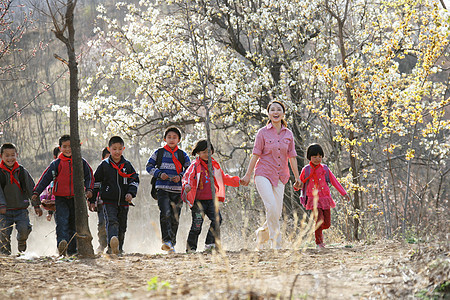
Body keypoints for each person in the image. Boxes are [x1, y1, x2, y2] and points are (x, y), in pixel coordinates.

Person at [241, 100, 301, 250]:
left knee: (276, 211)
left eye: (278, 110)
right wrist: (248, 175)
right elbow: (255, 155)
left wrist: (297, 177)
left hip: (281, 175)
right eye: (272, 110)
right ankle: (276, 243)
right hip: (263, 173)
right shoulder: (262, 133)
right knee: (271, 205)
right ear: (268, 114)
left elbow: (292, 157)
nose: (275, 112)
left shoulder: (289, 134)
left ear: (283, 113)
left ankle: (262, 234)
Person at [32, 135, 94, 256]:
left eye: (70, 146)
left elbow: (89, 176)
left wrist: (90, 189)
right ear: (60, 148)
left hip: (77, 199)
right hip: (60, 199)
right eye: (64, 146)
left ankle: (72, 250)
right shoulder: (56, 164)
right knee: (62, 222)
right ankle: (62, 245)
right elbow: (45, 178)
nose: (68, 149)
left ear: (76, 147)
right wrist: (36, 192)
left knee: (73, 224)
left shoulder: (80, 161)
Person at [182, 139, 240, 253]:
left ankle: (210, 244)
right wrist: (186, 186)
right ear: (198, 152)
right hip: (198, 201)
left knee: (217, 220)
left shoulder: (214, 165)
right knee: (197, 224)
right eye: (203, 152)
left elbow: (223, 178)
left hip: (211, 200)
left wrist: (237, 181)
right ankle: (191, 248)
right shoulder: (195, 165)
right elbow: (187, 177)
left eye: (209, 151)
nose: (206, 154)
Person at [89, 136, 139, 255]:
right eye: (114, 149)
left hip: (124, 201)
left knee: (122, 226)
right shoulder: (104, 165)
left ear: (123, 149)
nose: (117, 152)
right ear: (109, 149)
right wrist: (92, 200)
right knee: (112, 222)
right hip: (108, 201)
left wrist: (130, 193)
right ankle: (111, 247)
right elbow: (95, 183)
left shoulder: (127, 165)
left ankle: (119, 248)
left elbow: (135, 180)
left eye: (120, 149)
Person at [146, 126, 191, 253]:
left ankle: (172, 243)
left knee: (175, 217)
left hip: (178, 190)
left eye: (174, 137)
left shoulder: (182, 155)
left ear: (179, 140)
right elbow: (148, 166)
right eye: (169, 137)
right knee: (165, 213)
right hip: (162, 189)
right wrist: (160, 174)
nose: (172, 139)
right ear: (165, 139)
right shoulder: (158, 153)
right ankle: (166, 241)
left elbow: (189, 169)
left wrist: (180, 176)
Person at [299, 143, 350, 248]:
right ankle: (319, 242)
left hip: (325, 198)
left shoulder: (325, 169)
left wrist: (344, 193)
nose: (317, 159)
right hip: (313, 199)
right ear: (309, 157)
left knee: (327, 223)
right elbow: (300, 183)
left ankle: (318, 230)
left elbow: (334, 181)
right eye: (314, 157)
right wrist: (296, 186)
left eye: (319, 157)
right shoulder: (306, 170)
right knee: (319, 219)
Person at [0, 143, 42, 255]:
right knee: (3, 234)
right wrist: (2, 205)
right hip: (4, 211)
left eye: (12, 155)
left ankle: (22, 241)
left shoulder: (21, 171)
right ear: (1, 157)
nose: (10, 158)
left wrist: (36, 205)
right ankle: (5, 254)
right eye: (7, 155)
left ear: (17, 155)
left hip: (21, 209)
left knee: (24, 229)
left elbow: (31, 189)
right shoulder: (0, 172)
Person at [89, 147, 110, 253]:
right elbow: (95, 186)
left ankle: (114, 245)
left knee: (115, 222)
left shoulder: (121, 168)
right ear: (103, 159)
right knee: (102, 223)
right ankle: (102, 244)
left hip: (115, 202)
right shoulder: (101, 169)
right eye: (107, 157)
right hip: (102, 202)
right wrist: (92, 201)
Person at [39, 146, 60, 222]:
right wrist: (50, 213)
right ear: (55, 157)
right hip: (57, 207)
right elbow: (50, 196)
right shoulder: (53, 174)